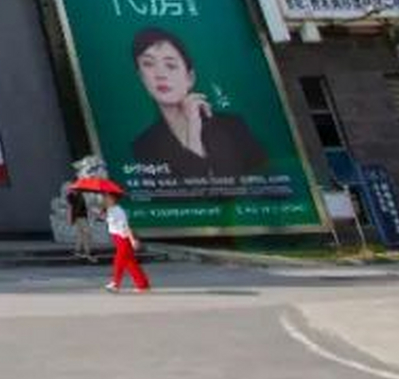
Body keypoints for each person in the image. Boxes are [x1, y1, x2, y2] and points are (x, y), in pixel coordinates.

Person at [128, 27, 269, 180]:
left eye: (170, 65)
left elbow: (264, 182)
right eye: (148, 64)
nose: (160, 74)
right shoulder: (144, 146)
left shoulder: (233, 126)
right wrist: (193, 134)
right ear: (141, 77)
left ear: (190, 78)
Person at [103, 196, 150, 293]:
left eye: (107, 198)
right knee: (130, 263)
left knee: (118, 261)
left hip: (123, 238)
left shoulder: (119, 211)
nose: (105, 200)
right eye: (105, 198)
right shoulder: (110, 210)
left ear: (113, 199)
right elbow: (111, 222)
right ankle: (143, 285)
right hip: (116, 238)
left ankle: (115, 284)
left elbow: (126, 226)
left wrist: (132, 240)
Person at [66, 185, 94, 260]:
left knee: (81, 234)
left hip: (80, 217)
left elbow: (74, 205)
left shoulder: (78, 195)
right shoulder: (76, 196)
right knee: (86, 233)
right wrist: (70, 193)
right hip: (80, 217)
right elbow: (74, 206)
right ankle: (86, 251)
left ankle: (79, 250)